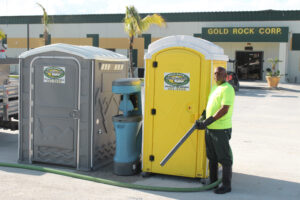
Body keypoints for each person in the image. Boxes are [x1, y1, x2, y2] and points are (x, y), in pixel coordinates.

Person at [195, 66, 235, 194]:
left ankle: (226, 185)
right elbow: (209, 107)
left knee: (224, 158)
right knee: (211, 157)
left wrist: (208, 121)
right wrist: (202, 118)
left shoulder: (227, 89)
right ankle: (213, 182)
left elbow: (224, 109)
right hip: (210, 129)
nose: (217, 76)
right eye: (215, 74)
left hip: (221, 129)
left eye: (220, 74)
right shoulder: (214, 88)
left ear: (225, 75)